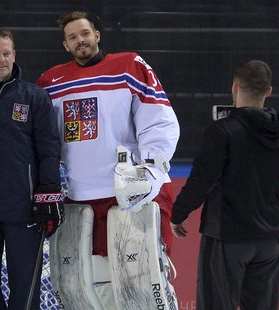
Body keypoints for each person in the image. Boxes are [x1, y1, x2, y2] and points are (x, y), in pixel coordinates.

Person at [36, 10, 179, 308]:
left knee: (142, 285)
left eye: (85, 33)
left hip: (128, 193)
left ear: (97, 35)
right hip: (81, 197)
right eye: (72, 37)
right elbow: (42, 138)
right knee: (92, 289)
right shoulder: (50, 82)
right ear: (65, 45)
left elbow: (158, 119)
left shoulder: (128, 65)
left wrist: (151, 168)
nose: (80, 41)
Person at [171, 60, 279, 310]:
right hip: (268, 239)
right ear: (269, 91)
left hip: (227, 237)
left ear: (235, 87)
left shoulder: (223, 131)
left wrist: (179, 213)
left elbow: (202, 179)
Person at [0, 27, 63, 309]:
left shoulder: (35, 96)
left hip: (25, 210)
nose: (1, 59)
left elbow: (49, 150)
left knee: (25, 285)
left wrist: (49, 194)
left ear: (14, 55)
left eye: (6, 53)